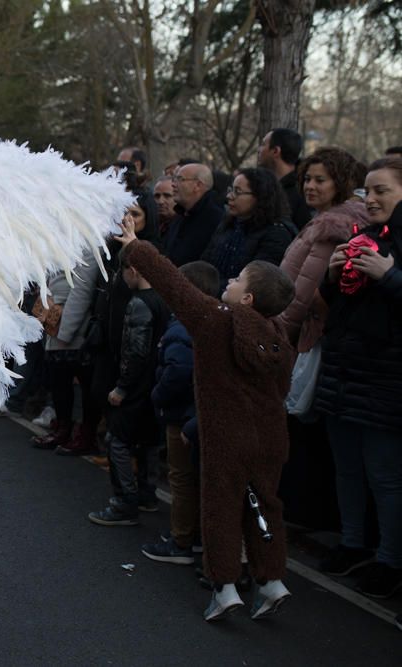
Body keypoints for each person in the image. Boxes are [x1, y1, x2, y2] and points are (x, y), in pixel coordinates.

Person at [117, 219, 296, 622]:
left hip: (226, 435)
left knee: (221, 508)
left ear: (247, 298)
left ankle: (225, 586)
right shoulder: (279, 337)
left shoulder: (217, 320)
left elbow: (174, 286)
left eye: (237, 279)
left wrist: (136, 246)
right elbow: (281, 389)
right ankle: (270, 580)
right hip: (270, 436)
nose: (228, 281)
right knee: (265, 504)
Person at [315, 157, 402, 599]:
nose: (370, 199)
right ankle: (352, 543)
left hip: (386, 379)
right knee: (346, 467)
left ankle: (389, 559)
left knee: (384, 475)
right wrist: (331, 279)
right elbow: (339, 304)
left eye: (381, 190)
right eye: (367, 191)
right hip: (343, 372)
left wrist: (392, 278)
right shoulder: (362, 237)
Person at [277, 148, 367, 530]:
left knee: (306, 430)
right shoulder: (324, 220)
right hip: (303, 334)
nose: (310, 186)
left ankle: (308, 514)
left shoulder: (333, 227)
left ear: (340, 183)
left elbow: (302, 294)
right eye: (307, 179)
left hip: (307, 337)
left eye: (320, 180)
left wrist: (276, 331)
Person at [87, 212, 169, 526]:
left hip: (134, 387)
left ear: (132, 270)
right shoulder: (163, 297)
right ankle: (147, 494)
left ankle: (124, 502)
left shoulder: (139, 304)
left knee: (118, 441)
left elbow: (135, 351)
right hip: (154, 385)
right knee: (148, 440)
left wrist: (121, 387)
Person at [141, 261, 219, 565]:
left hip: (181, 417)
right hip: (195, 414)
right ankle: (196, 537)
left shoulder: (183, 325)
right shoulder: (209, 320)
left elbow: (179, 370)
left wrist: (157, 395)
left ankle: (181, 540)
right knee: (196, 478)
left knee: (182, 480)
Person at [30, 253, 101, 453]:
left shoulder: (89, 242)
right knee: (59, 379)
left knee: (79, 381)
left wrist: (66, 330)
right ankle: (63, 428)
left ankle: (82, 434)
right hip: (54, 315)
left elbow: (82, 289)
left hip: (72, 322)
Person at [201, 168, 295, 284]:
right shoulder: (229, 223)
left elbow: (255, 283)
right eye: (231, 190)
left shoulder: (276, 234)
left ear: (260, 197)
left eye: (238, 192)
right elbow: (205, 263)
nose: (229, 196)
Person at [165, 163, 225, 266]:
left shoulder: (217, 220)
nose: (173, 184)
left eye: (180, 179)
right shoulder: (180, 215)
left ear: (198, 185)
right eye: (174, 179)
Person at [258, 128, 311, 232]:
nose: (259, 149)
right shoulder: (265, 187)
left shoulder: (302, 193)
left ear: (275, 151)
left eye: (263, 144)